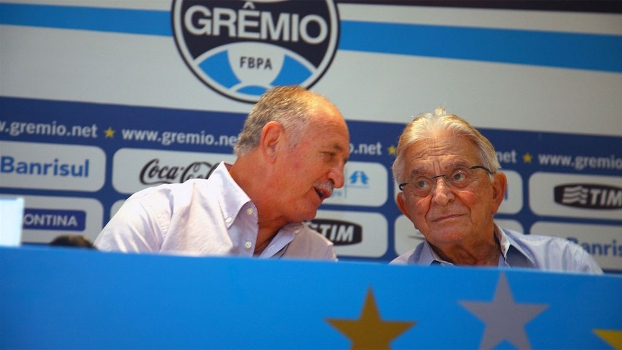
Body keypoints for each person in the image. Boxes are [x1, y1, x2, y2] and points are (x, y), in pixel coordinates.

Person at [95, 86, 350, 260]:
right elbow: (93, 320)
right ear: (273, 142)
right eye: (329, 155)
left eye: (344, 163)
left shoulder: (319, 256)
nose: (338, 180)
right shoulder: (156, 218)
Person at [390, 107, 602, 273]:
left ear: (495, 192)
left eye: (458, 176)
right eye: (422, 183)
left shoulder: (565, 265)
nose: (441, 196)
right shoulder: (391, 286)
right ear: (407, 209)